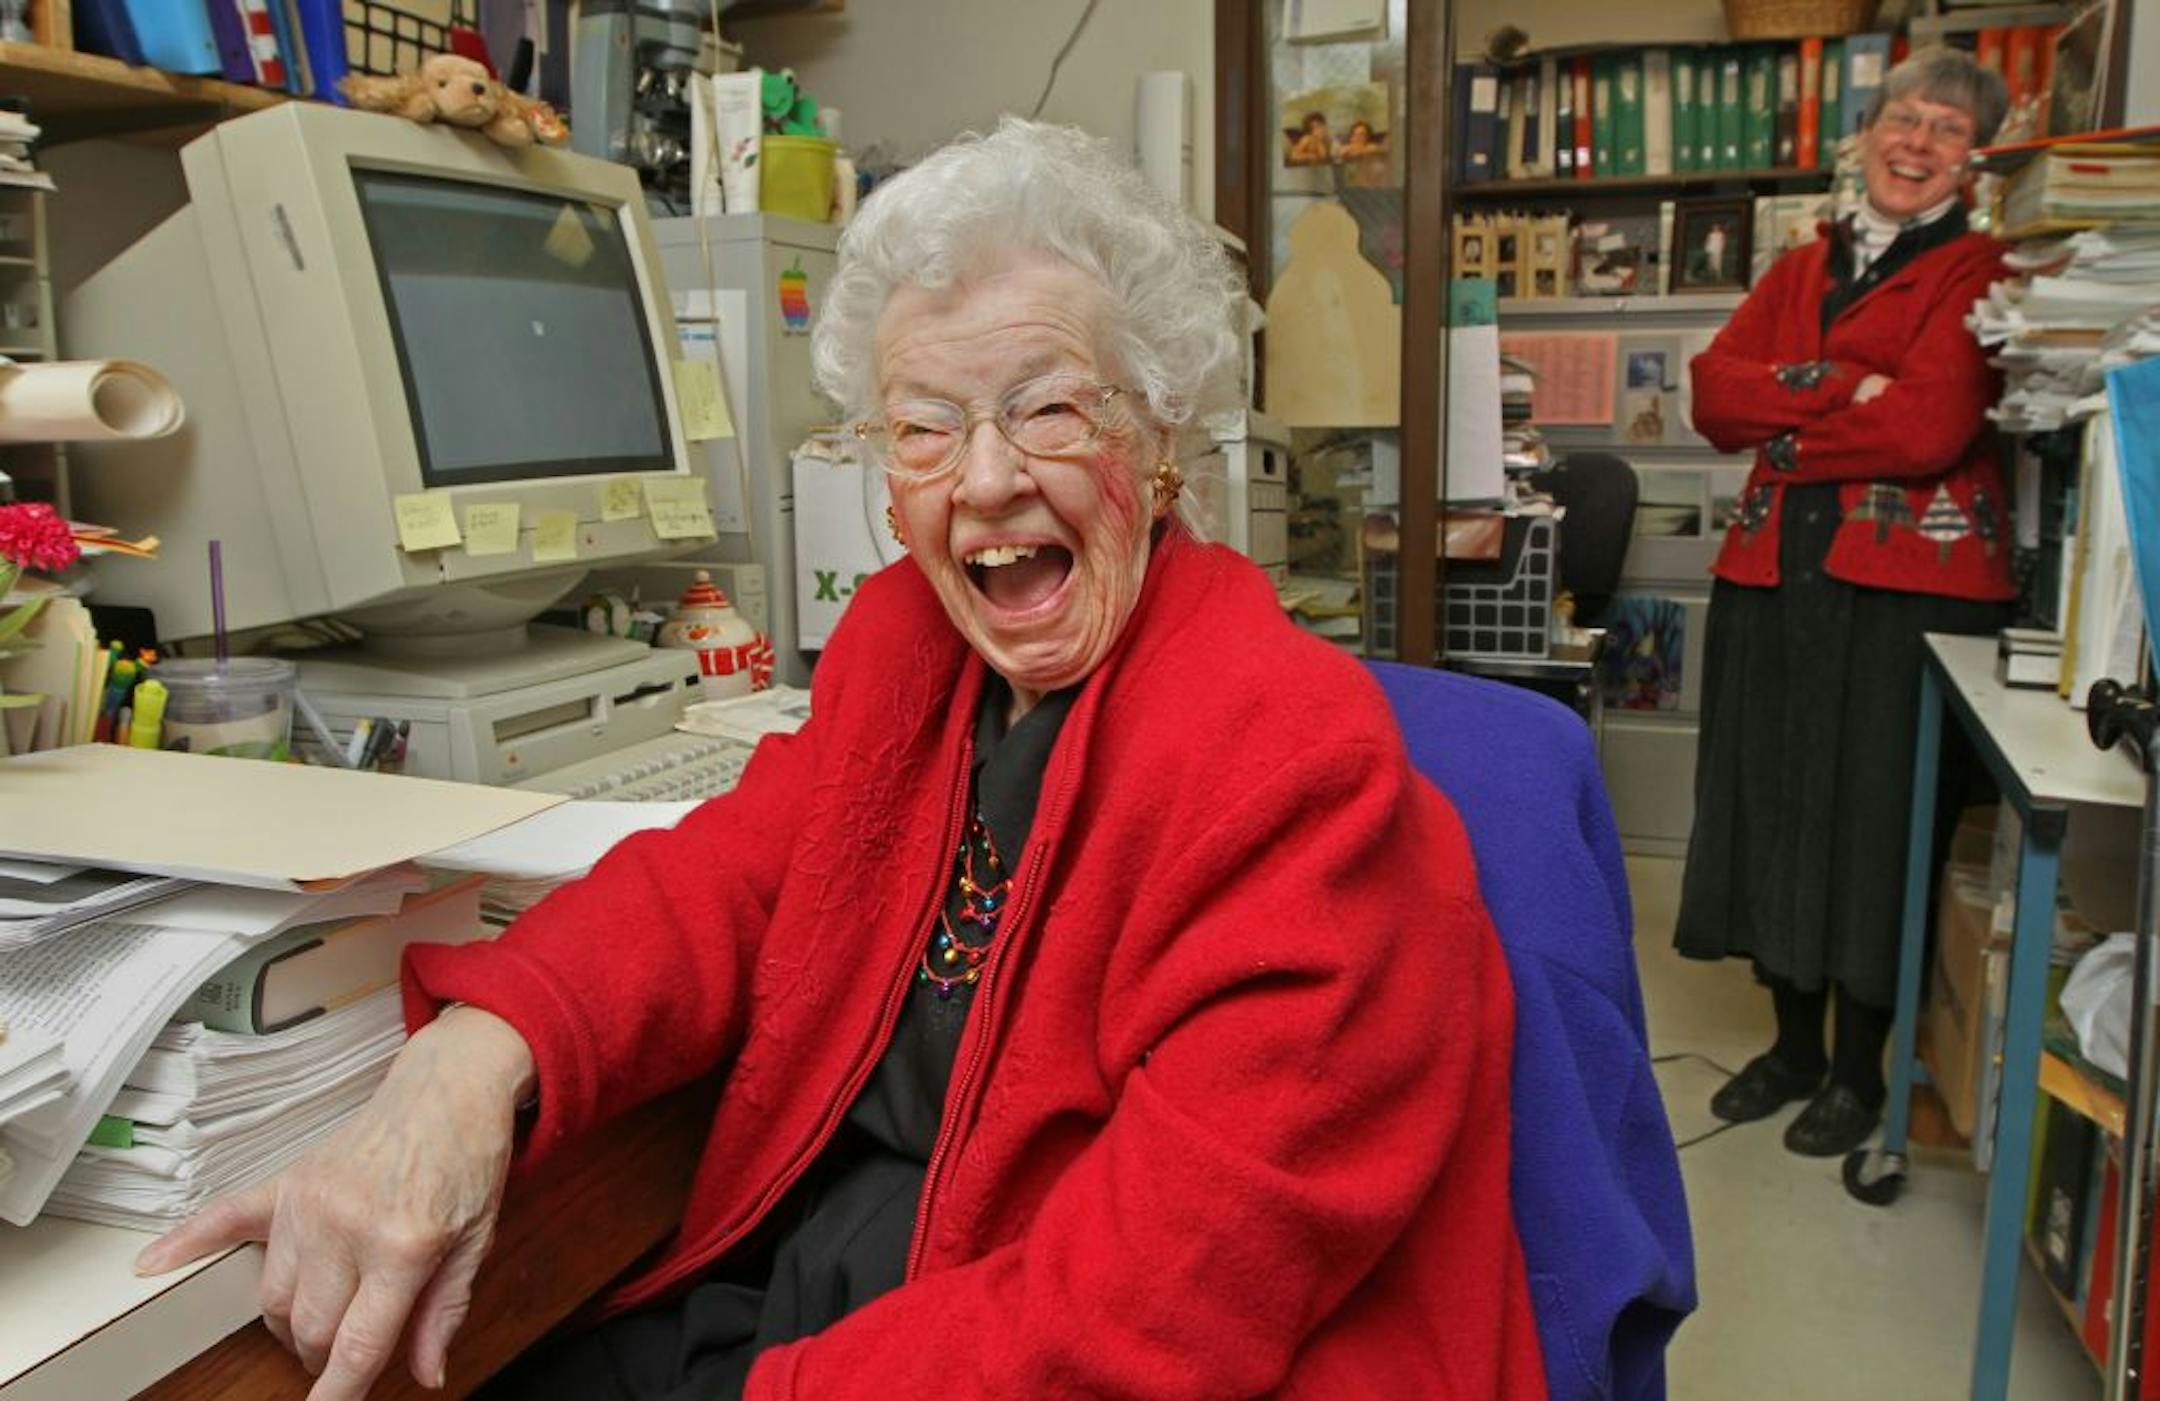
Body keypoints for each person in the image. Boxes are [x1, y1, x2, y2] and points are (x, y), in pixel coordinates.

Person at [136, 119, 1544, 1399]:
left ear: (1162, 428)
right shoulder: (910, 646)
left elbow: (1148, 1315)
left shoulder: (1287, 763)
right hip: (856, 1279)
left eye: (1048, 407)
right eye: (924, 427)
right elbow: (735, 878)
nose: (983, 479)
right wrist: (473, 1056)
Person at [1674, 48, 2015, 1157]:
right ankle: (1794, 1051)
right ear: (1867, 133)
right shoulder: (1798, 269)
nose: (1916, 143)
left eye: (1947, 131)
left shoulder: (1979, 268)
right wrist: (1838, 388)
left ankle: (1863, 1072)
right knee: (1772, 805)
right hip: (1774, 581)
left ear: (1975, 159)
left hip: (1900, 595)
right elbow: (1712, 397)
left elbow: (1930, 428)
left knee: (1875, 824)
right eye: (1903, 119)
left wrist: (1786, 420)